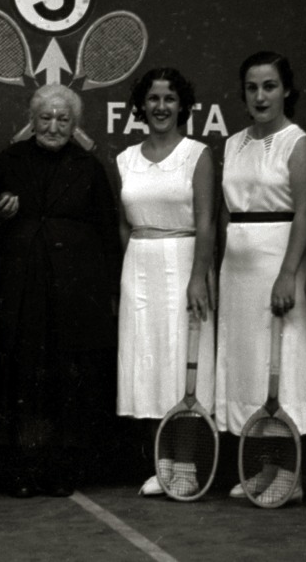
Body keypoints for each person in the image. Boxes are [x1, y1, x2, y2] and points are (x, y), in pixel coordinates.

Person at [0, 84, 121, 498]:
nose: (53, 126)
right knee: (25, 380)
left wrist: (108, 291)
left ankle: (63, 468)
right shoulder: (9, 161)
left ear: (74, 124)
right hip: (23, 291)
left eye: (63, 119)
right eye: (45, 117)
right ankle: (25, 469)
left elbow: (107, 231)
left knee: (70, 381)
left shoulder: (89, 167)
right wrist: (0, 211)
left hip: (76, 293)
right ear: (32, 121)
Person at [214, 52, 306, 503]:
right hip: (237, 272)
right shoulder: (233, 144)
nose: (260, 96)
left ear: (286, 90)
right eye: (252, 88)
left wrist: (288, 274)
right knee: (251, 371)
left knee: (284, 370)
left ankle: (291, 477)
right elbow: (226, 212)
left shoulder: (298, 143)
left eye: (270, 86)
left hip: (279, 264)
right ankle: (267, 469)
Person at [115, 68, 216, 498]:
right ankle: (164, 465)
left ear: (182, 106)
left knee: (184, 366)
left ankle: (187, 465)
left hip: (184, 263)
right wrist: (131, 270)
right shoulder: (124, 159)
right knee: (151, 367)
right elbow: (124, 225)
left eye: (169, 99)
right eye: (153, 99)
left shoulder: (198, 155)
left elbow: (207, 222)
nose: (160, 107)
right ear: (142, 106)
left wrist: (198, 277)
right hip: (139, 267)